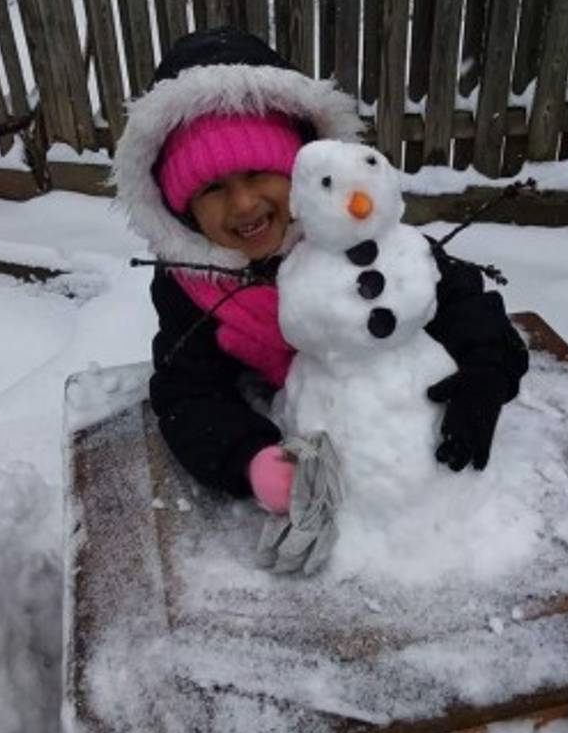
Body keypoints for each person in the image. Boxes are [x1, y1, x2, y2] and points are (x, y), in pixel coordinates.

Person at [114, 26, 528, 515]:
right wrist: (248, 457)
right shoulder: (192, 288)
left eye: (257, 173)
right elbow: (187, 391)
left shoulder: (356, 235)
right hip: (313, 426)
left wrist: (486, 373)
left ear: (300, 174)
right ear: (184, 210)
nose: (244, 203)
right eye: (213, 189)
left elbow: (457, 300)